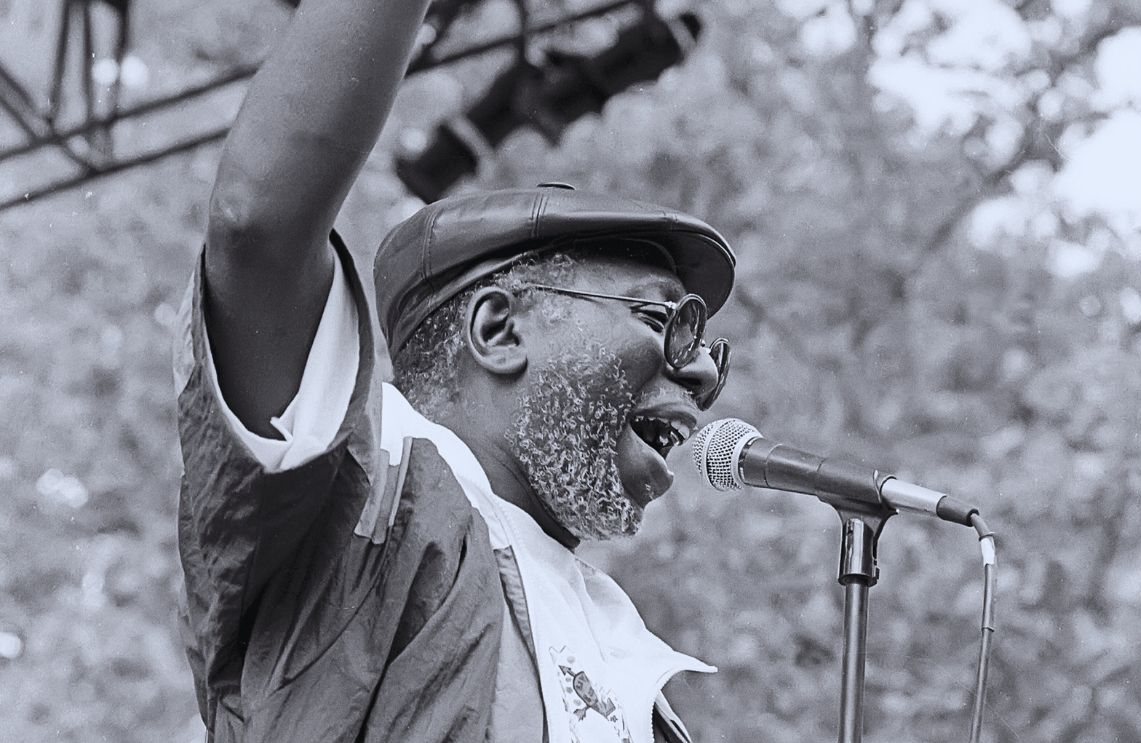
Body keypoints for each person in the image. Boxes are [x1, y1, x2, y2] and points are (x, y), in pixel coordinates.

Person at [172, 1, 735, 741]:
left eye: (707, 347)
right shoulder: (366, 491)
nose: (699, 372)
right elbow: (257, 225)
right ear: (498, 331)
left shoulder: (633, 671)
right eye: (664, 319)